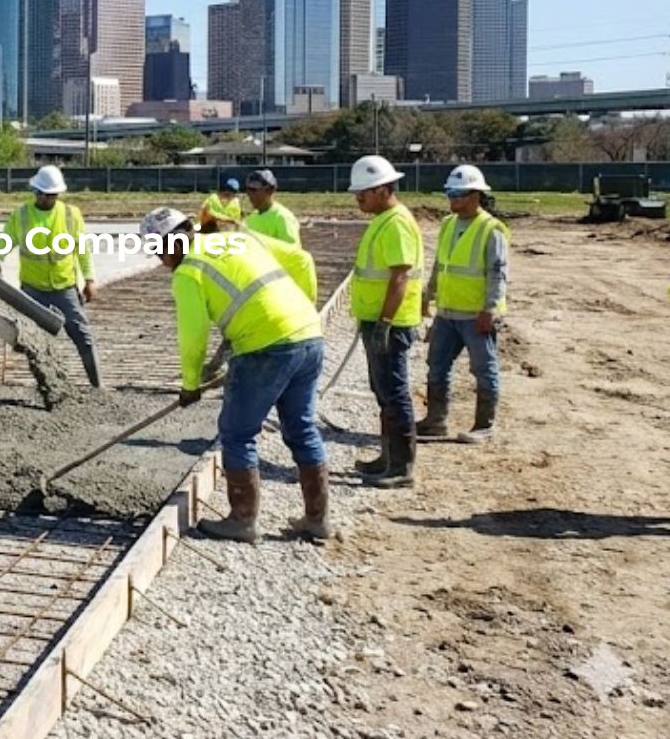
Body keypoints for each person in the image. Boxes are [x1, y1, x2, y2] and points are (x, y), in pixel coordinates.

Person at [140, 207, 330, 543]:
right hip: (308, 334)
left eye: (156, 249)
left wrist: (191, 385)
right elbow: (302, 260)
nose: (158, 259)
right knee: (301, 428)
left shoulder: (188, 272)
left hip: (264, 347)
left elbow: (193, 338)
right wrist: (301, 314)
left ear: (172, 242)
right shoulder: (237, 238)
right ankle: (317, 520)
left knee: (238, 434)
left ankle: (242, 521)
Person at [347, 154, 425, 488]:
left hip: (390, 324)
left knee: (394, 394)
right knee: (383, 393)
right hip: (378, 321)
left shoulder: (395, 223)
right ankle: (388, 458)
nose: (358, 198)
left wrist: (384, 322)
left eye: (363, 192)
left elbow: (399, 278)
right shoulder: (383, 219)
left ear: (381, 190)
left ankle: (401, 467)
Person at [421, 165, 509, 443]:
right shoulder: (448, 223)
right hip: (447, 313)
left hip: (476, 315)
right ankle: (436, 420)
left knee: (484, 368)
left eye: (458, 193)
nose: (452, 199)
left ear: (475, 195)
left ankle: (485, 425)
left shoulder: (491, 230)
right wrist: (428, 294)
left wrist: (490, 309)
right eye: (449, 193)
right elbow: (441, 264)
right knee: (436, 365)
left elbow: (498, 273)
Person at [0, 165, 101, 387]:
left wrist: (89, 279)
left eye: (52, 195)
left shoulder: (70, 214)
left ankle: (97, 385)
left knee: (82, 335)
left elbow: (82, 249)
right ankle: (50, 387)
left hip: (64, 286)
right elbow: (5, 240)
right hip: (33, 288)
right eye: (44, 194)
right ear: (35, 191)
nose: (48, 198)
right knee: (35, 340)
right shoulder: (22, 215)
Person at [242, 169, 302, 247]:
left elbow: (293, 251)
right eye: (248, 189)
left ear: (269, 191)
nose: (249, 194)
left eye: (254, 189)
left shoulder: (282, 217)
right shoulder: (252, 217)